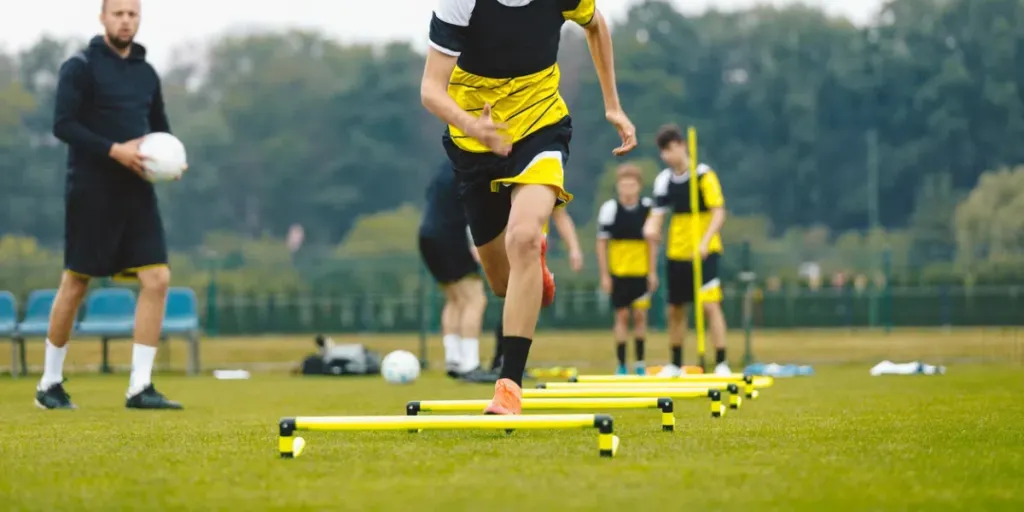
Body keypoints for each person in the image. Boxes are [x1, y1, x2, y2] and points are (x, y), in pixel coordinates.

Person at [422, 0, 637, 415]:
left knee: (524, 238)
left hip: (541, 127)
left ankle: (509, 385)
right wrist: (473, 127)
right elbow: (431, 89)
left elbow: (596, 24)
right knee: (503, 284)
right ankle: (532, 271)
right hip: (475, 142)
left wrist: (612, 103)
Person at [36, 0, 182, 410]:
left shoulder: (146, 74)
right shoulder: (80, 66)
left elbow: (160, 131)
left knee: (157, 279)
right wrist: (113, 150)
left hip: (137, 192)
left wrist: (171, 159)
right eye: (118, 13)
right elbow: (62, 125)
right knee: (76, 282)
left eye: (132, 14)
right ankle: (49, 383)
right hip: (90, 190)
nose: (125, 20)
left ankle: (140, 387)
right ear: (102, 17)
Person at [643, 124, 732, 377]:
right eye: (662, 151)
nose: (666, 156)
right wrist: (650, 228)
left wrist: (705, 241)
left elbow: (718, 212)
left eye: (670, 149)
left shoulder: (704, 175)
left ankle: (722, 361)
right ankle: (675, 362)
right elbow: (657, 216)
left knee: (710, 305)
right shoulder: (664, 180)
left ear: (682, 146)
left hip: (705, 251)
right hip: (677, 252)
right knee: (675, 309)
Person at [487, 208, 585, 373]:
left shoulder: (548, 186)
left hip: (535, 249)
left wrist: (574, 249)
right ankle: (503, 361)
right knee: (516, 304)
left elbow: (560, 216)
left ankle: (508, 361)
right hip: (513, 246)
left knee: (523, 307)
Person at [417, 161, 489, 379]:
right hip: (451, 236)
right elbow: (473, 210)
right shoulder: (471, 169)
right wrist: (476, 245)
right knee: (475, 299)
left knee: (455, 299)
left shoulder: (442, 169)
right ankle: (470, 363)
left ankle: (454, 359)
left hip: (427, 236)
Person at [596, 164, 657, 376]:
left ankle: (640, 363)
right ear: (618, 186)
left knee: (640, 316)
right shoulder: (610, 210)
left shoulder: (648, 209)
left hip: (640, 272)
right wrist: (605, 275)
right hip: (619, 273)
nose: (628, 189)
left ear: (639, 186)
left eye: (632, 185)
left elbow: (652, 243)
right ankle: (622, 364)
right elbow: (602, 244)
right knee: (621, 317)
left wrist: (652, 271)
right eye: (624, 185)